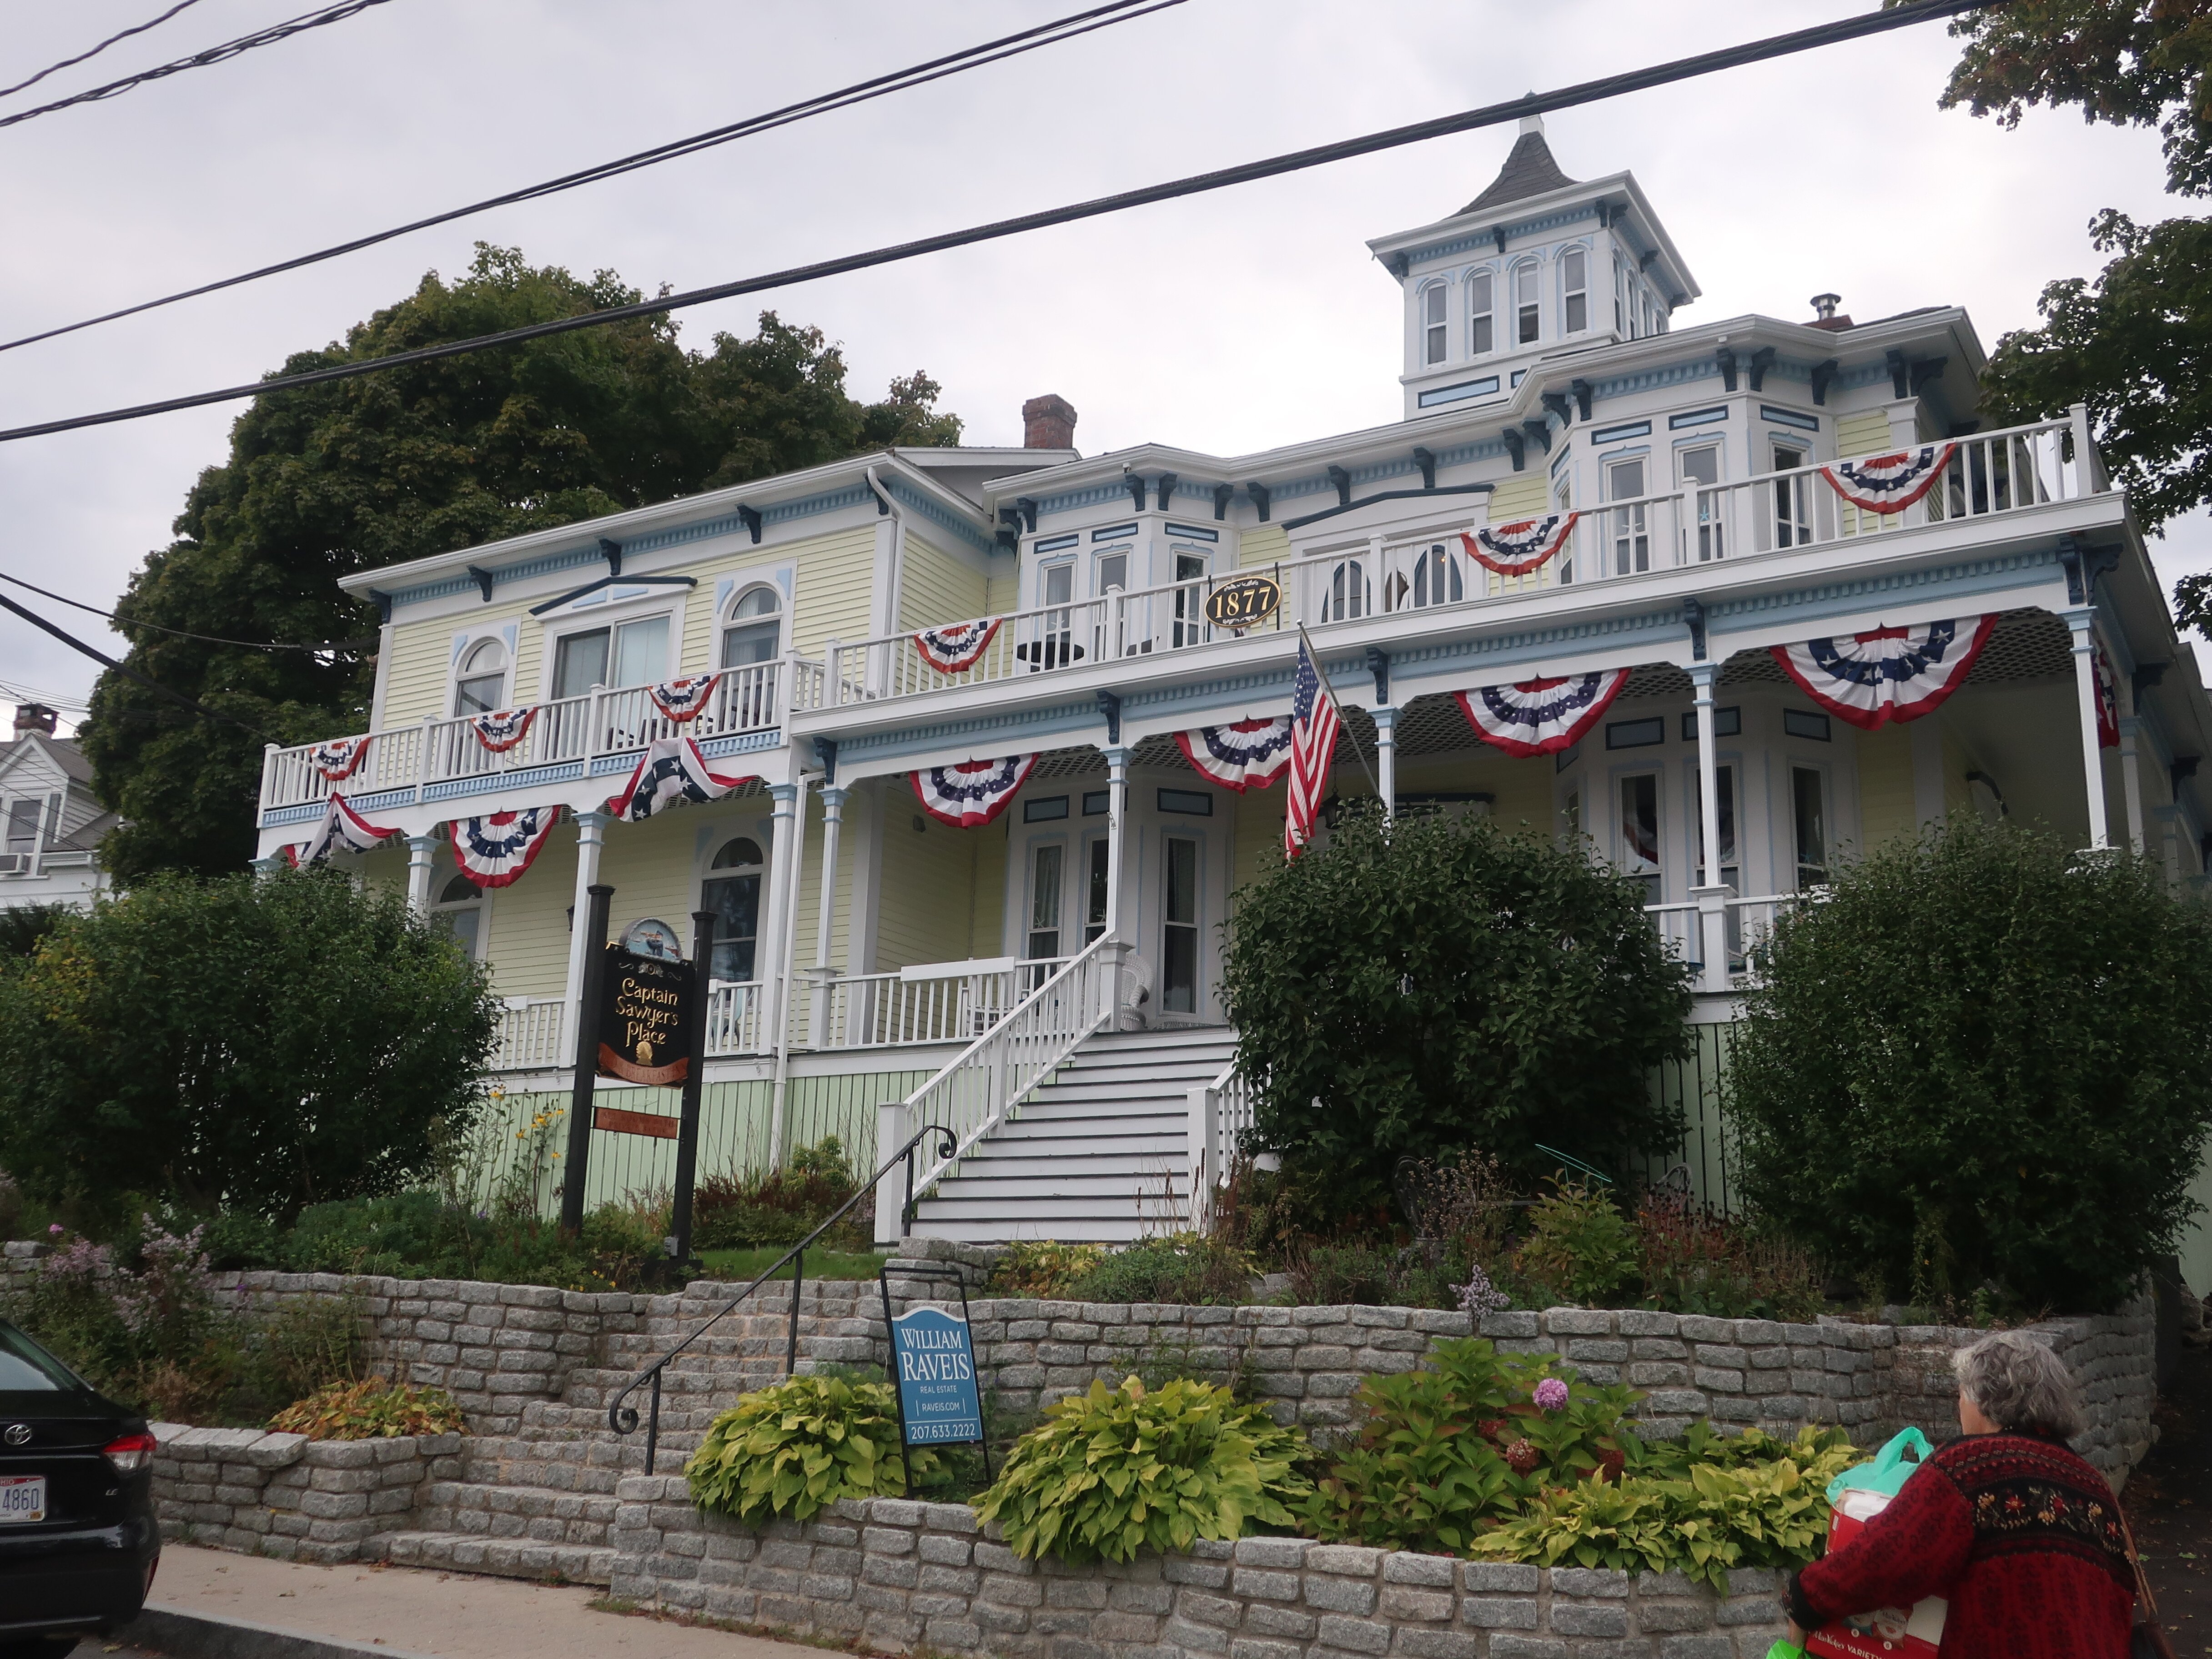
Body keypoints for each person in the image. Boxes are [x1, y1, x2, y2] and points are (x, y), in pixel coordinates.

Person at [1785, 1330, 2134, 1659]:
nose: (1960, 1406)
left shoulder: (1969, 1467)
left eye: (1961, 1394)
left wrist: (1805, 1598)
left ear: (1982, 1399)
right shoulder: (2094, 1486)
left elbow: (1888, 1559)